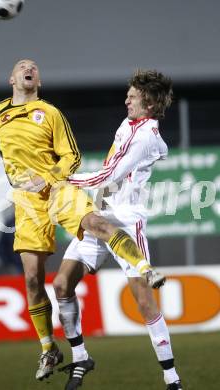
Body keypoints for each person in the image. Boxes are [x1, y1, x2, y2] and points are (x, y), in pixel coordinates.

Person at [0, 59, 165, 382]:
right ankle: (49, 347)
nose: (29, 67)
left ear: (38, 81)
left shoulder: (52, 113)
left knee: (96, 223)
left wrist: (49, 177)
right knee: (33, 279)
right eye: (22, 66)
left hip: (57, 188)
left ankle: (145, 268)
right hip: (27, 202)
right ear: (11, 78)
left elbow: (71, 156)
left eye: (34, 67)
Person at [54, 70, 183, 390]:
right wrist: (94, 202)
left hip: (126, 219)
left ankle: (172, 379)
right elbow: (109, 177)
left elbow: (106, 174)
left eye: (133, 96)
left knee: (143, 299)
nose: (126, 99)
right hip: (102, 214)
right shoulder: (128, 125)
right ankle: (81, 356)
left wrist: (63, 180)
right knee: (61, 284)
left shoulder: (147, 137)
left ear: (149, 103)